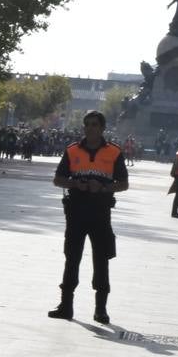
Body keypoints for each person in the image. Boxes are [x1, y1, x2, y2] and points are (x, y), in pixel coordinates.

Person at [47, 110, 128, 324]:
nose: (90, 128)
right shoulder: (72, 151)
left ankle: (100, 309)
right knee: (71, 258)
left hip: (100, 214)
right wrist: (75, 183)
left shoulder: (113, 152)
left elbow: (123, 184)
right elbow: (58, 179)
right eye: (87, 124)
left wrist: (102, 188)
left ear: (102, 128)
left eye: (94, 124)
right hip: (76, 212)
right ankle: (66, 306)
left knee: (101, 260)